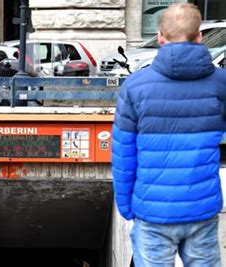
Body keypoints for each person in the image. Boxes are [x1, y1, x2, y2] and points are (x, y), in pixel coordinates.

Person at [112, 3, 226, 266]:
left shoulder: (135, 87)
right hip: (201, 209)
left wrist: (127, 206)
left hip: (152, 212)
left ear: (160, 37)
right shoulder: (220, 83)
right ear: (199, 36)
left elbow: (123, 155)